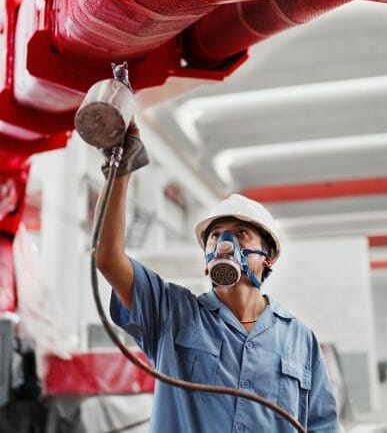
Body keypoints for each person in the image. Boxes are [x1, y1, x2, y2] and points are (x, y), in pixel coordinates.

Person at [96, 123, 341, 433]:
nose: (225, 244)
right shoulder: (172, 312)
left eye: (241, 233)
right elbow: (108, 259)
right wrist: (119, 169)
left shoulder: (300, 339)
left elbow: (322, 426)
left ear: (268, 256)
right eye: (215, 236)